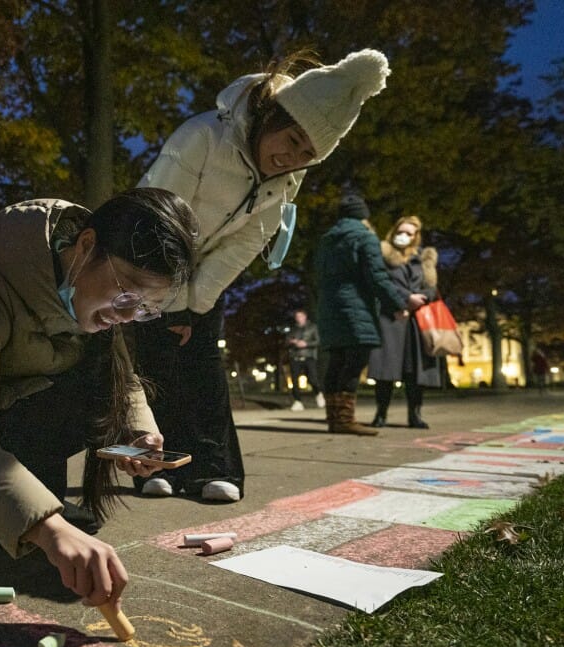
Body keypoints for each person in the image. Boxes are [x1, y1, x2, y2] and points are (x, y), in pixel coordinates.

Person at [0, 188, 197, 610]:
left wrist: (139, 433)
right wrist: (48, 529)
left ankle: (33, 503)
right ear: (85, 246)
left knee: (88, 387)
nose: (128, 313)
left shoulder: (92, 300)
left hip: (8, 413)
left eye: (146, 307)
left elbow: (122, 381)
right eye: (127, 293)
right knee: (34, 420)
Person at [134, 49, 390, 499]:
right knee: (158, 364)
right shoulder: (203, 137)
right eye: (291, 140)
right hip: (146, 259)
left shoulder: (288, 179)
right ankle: (159, 466)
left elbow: (246, 242)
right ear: (273, 115)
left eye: (307, 154)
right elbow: (159, 221)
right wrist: (171, 303)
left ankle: (215, 467)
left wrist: (196, 304)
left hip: (200, 278)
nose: (290, 158)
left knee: (205, 367)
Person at [315, 193, 422, 435]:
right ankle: (344, 420)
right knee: (354, 362)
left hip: (329, 308)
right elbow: (377, 277)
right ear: (363, 216)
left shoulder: (326, 240)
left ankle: (334, 418)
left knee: (336, 362)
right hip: (356, 307)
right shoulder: (365, 238)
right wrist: (397, 305)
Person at [367, 216, 441, 428]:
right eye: (401, 231)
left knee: (415, 371)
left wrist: (420, 299)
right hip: (391, 318)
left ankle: (415, 414)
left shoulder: (424, 259)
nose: (404, 236)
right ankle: (381, 414)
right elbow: (381, 283)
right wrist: (405, 299)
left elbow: (431, 287)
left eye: (409, 233)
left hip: (417, 321)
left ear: (416, 236)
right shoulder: (383, 255)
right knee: (385, 370)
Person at [286, 309, 324, 411]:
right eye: (297, 316)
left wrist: (306, 344)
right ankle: (298, 401)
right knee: (294, 380)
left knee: (312, 379)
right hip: (295, 356)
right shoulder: (293, 329)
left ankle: (318, 394)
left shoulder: (313, 327)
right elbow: (287, 340)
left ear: (305, 316)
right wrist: (293, 342)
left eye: (300, 316)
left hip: (309, 356)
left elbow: (318, 341)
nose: (299, 318)